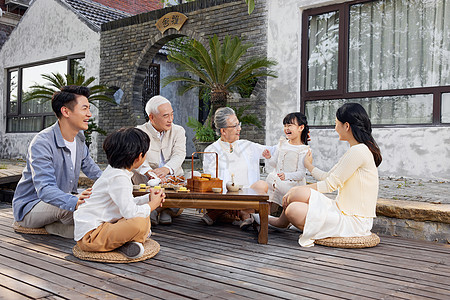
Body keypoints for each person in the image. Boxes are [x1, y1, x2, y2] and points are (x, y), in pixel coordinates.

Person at [256, 103, 382, 247]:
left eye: (336, 124)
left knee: (293, 207)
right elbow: (327, 176)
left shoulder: (358, 151)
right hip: (341, 209)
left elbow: (330, 185)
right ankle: (279, 222)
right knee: (296, 196)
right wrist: (309, 165)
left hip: (354, 221)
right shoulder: (356, 150)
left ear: (346, 126)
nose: (335, 128)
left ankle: (278, 222)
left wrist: (296, 190)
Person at [12, 86, 102, 238]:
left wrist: (114, 183)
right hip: (31, 207)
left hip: (63, 200)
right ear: (66, 111)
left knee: (96, 211)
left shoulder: (79, 139)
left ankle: (107, 237)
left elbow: (94, 171)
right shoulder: (42, 142)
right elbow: (45, 189)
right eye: (84, 108)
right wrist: (75, 200)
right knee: (77, 207)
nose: (89, 114)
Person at [74, 128, 165, 259]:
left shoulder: (116, 171)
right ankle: (127, 241)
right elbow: (129, 212)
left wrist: (148, 198)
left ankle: (124, 244)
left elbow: (125, 204)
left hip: (103, 226)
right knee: (139, 222)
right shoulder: (119, 178)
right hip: (91, 236)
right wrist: (152, 205)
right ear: (139, 156)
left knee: (142, 218)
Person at [202, 107, 271, 229]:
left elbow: (274, 151)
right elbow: (214, 183)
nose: (239, 128)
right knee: (216, 192)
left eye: (239, 124)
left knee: (262, 185)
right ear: (223, 131)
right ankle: (245, 215)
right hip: (224, 196)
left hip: (247, 196)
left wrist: (298, 141)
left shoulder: (247, 146)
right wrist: (233, 200)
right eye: (235, 126)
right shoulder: (211, 151)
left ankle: (219, 214)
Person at [132, 95, 186, 225]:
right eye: (165, 116)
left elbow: (179, 154)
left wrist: (167, 169)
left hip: (172, 178)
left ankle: (162, 209)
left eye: (172, 115)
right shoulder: (139, 132)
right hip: (147, 180)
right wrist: (151, 174)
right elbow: (137, 158)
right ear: (151, 117)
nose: (170, 120)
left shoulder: (178, 130)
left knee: (192, 178)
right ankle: (159, 209)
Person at [264, 112, 310, 215]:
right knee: (269, 181)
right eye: (285, 126)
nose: (286, 128)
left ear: (301, 128)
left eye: (290, 125)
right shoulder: (282, 143)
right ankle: (266, 216)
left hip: (291, 183)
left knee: (280, 186)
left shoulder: (303, 150)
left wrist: (286, 176)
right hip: (277, 180)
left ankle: (280, 217)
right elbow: (274, 163)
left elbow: (301, 174)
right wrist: (269, 157)